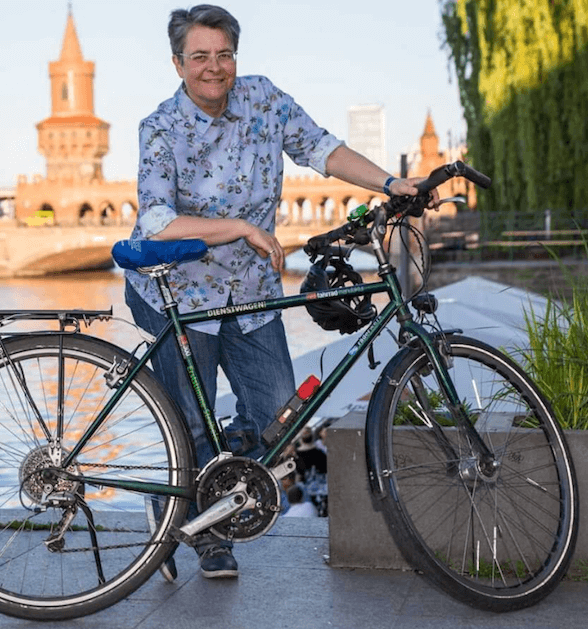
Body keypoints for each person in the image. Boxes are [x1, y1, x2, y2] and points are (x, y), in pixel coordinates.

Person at [125, 4, 436, 580]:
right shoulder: (159, 128)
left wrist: (392, 182)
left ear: (235, 58)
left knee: (278, 416)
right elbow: (158, 223)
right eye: (200, 57)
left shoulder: (264, 99)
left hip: (250, 292)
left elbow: (322, 148)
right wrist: (241, 228)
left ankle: (194, 490)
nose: (214, 67)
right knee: (190, 423)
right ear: (177, 64)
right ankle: (200, 527)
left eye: (224, 54)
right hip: (179, 293)